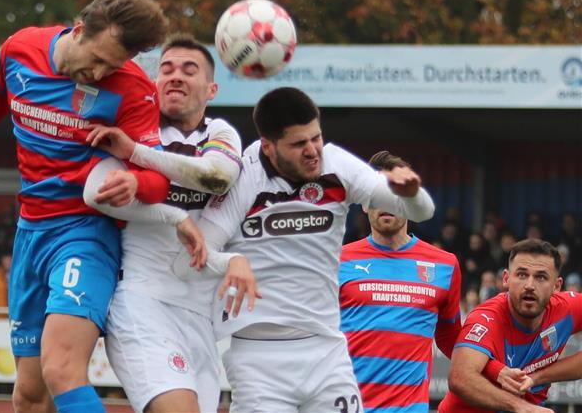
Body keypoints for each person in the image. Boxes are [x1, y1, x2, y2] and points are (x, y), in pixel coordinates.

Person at [0, 0, 192, 413]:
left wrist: (136, 184)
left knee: (62, 370)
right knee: (30, 396)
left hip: (84, 235)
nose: (99, 72)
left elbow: (157, 179)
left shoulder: (133, 90)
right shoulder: (21, 49)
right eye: (97, 58)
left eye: (112, 65)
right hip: (29, 234)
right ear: (78, 30)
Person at [174, 87, 435, 412]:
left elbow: (420, 211)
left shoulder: (337, 164)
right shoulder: (244, 176)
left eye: (316, 138)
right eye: (299, 144)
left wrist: (410, 194)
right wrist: (231, 260)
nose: (313, 151)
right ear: (269, 147)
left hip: (326, 351)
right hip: (258, 359)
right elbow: (195, 255)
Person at [84, 33, 255, 413]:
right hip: (144, 302)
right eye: (167, 69)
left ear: (211, 88)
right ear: (154, 82)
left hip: (200, 314)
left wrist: (136, 155)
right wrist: (172, 214)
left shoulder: (220, 132)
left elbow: (218, 176)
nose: (175, 76)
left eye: (189, 70)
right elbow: (95, 192)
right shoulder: (133, 126)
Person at [338, 151, 462, 413]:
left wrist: (496, 368)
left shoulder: (445, 265)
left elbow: (452, 338)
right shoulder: (337, 260)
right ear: (363, 202)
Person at [439, 238, 582, 413]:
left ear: (556, 285)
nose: (530, 285)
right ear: (506, 278)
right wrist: (521, 407)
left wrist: (537, 377)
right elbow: (459, 378)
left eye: (541, 277)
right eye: (522, 275)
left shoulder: (568, 308)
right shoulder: (487, 317)